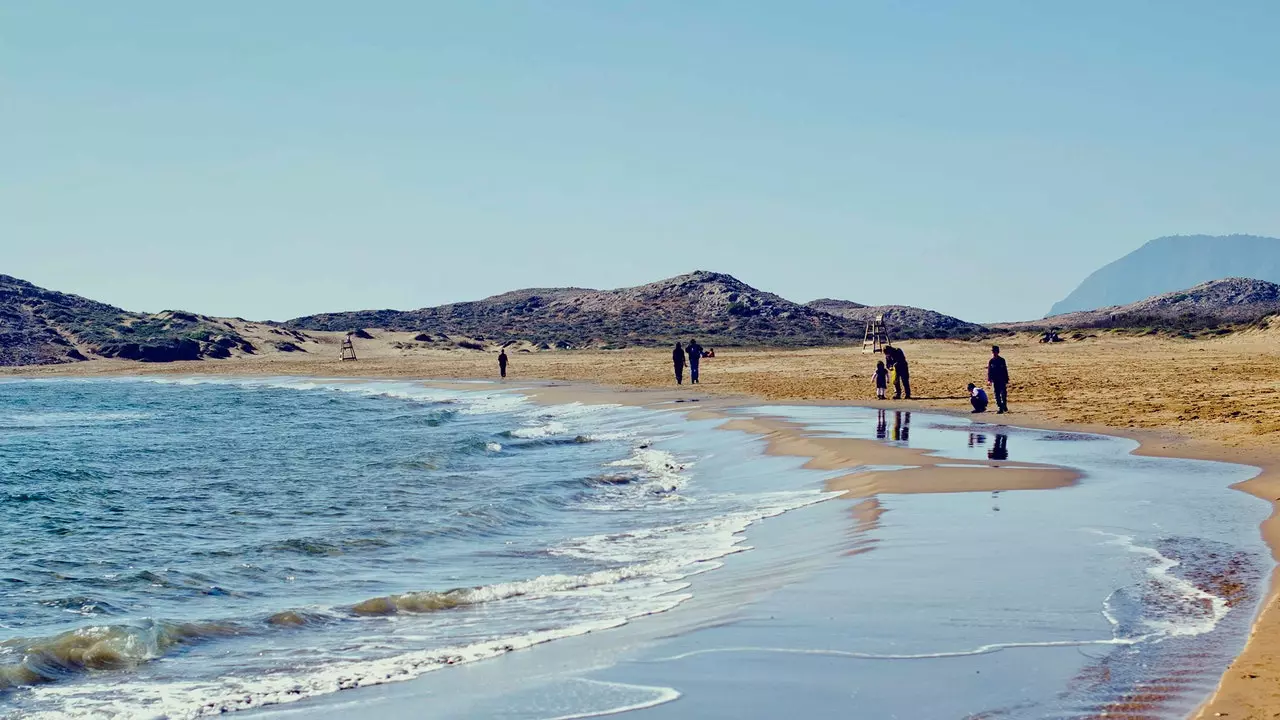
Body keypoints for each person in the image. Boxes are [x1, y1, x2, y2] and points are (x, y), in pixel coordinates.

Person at [987, 345, 1009, 414]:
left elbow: (1005, 370)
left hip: (1002, 379)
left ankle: (1004, 405)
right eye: (993, 351)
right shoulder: (991, 361)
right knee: (997, 394)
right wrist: (989, 379)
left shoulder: (1002, 360)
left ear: (998, 352)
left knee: (1003, 394)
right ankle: (1000, 407)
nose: (994, 353)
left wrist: (1006, 378)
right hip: (995, 380)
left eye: (995, 351)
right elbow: (989, 371)